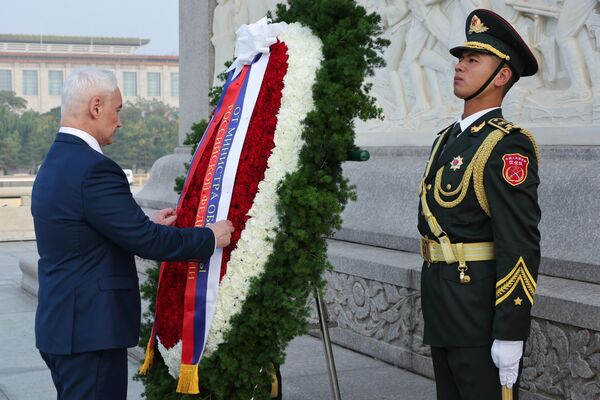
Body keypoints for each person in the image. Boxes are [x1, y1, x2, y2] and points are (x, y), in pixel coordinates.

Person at [31, 68, 234, 400]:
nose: (120, 120)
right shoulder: (95, 167)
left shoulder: (55, 160)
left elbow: (81, 227)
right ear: (96, 107)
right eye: (118, 109)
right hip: (90, 332)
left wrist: (143, 220)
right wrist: (209, 237)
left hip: (63, 327)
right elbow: (148, 242)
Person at [417, 9, 541, 400]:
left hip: (479, 312)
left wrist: (510, 330)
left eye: (473, 60)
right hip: (442, 301)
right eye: (460, 58)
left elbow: (519, 243)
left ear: (501, 75)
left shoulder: (508, 145)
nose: (459, 66)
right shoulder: (447, 138)